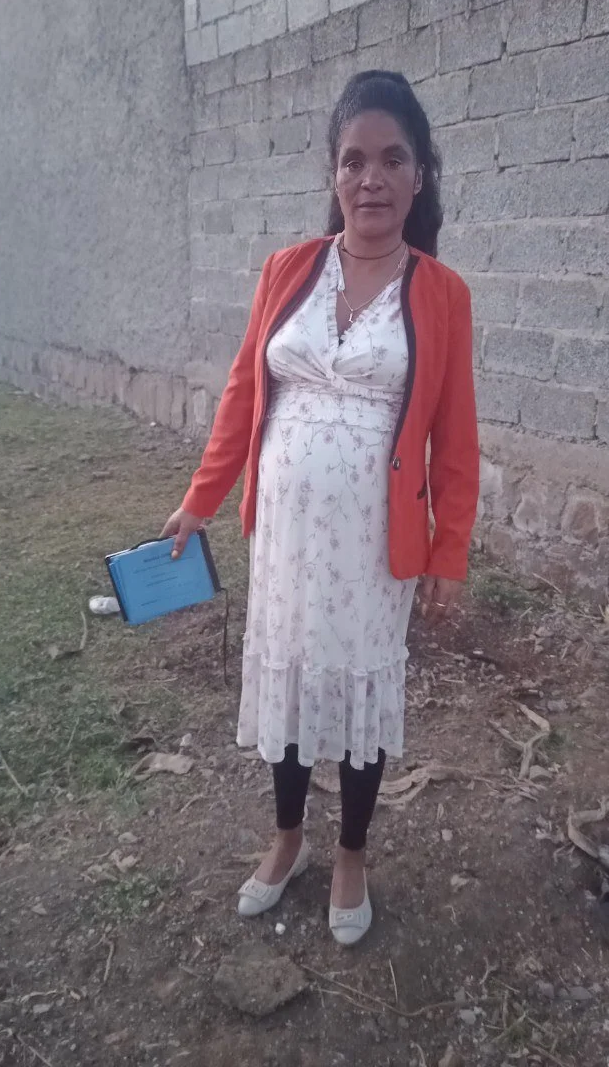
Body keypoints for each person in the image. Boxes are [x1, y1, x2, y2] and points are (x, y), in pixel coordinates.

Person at [162, 70, 480, 945]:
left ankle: (351, 853)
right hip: (287, 539)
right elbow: (241, 395)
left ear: (420, 176)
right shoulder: (288, 271)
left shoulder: (442, 294)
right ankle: (288, 838)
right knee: (293, 685)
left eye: (391, 159)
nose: (370, 178)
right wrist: (200, 503)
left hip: (376, 549)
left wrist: (449, 557)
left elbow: (455, 444)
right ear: (333, 177)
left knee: (361, 691)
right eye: (353, 161)